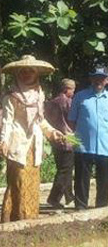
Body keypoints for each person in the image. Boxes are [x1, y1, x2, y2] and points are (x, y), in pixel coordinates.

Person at [0, 55, 64, 223]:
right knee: (18, 181)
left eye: (31, 71)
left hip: (34, 145)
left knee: (32, 182)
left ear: (36, 74)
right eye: (23, 71)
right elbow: (7, 121)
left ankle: (31, 220)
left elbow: (40, 120)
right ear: (18, 74)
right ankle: (15, 219)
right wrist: (3, 140)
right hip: (18, 143)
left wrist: (53, 132)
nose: (27, 74)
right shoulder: (11, 96)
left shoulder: (39, 94)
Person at [68, 67, 108, 210]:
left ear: (106, 80)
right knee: (81, 179)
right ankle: (80, 206)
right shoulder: (80, 96)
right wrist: (72, 142)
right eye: (96, 77)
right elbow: (71, 121)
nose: (99, 81)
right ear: (91, 79)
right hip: (83, 145)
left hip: (105, 146)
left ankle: (102, 208)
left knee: (104, 180)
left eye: (102, 78)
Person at [45, 78, 76, 208]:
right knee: (65, 171)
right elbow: (74, 120)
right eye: (72, 90)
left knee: (63, 169)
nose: (73, 93)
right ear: (66, 89)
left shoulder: (51, 102)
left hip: (55, 139)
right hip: (68, 140)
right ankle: (54, 198)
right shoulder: (68, 102)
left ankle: (69, 196)